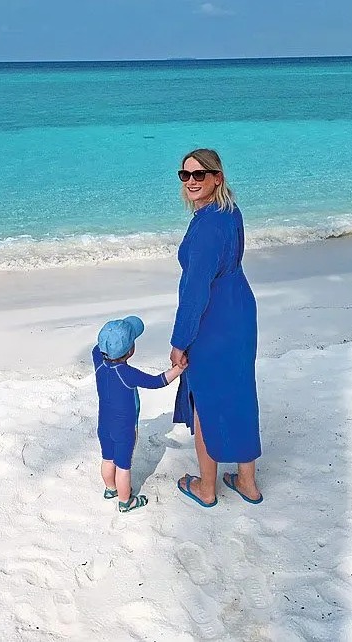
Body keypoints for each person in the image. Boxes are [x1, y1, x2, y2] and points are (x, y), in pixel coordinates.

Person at [170, 148, 263, 508]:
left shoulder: (208, 225)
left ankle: (207, 489)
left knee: (205, 401)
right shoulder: (229, 212)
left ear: (216, 178)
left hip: (214, 319)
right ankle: (247, 482)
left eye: (199, 175)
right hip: (239, 309)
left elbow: (195, 292)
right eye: (185, 175)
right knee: (240, 393)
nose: (192, 181)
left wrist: (180, 340)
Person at [93, 315, 185, 513]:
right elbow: (157, 381)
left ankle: (110, 489)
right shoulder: (127, 373)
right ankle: (126, 502)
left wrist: (109, 338)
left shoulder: (98, 361)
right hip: (125, 429)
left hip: (103, 425)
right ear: (130, 351)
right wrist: (179, 369)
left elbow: (98, 347)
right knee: (123, 466)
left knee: (108, 459)